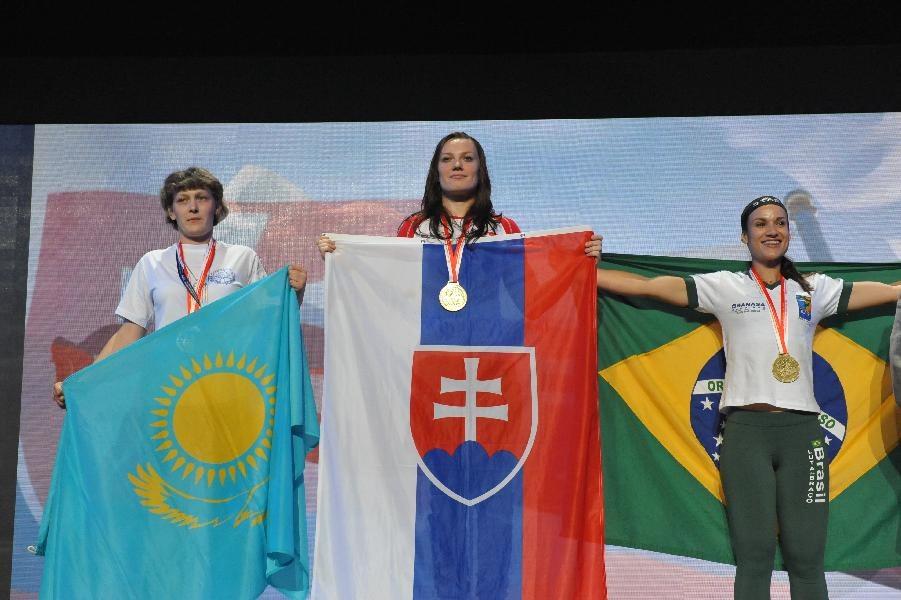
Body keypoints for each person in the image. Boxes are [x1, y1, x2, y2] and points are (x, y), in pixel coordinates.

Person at [595, 195, 900, 600]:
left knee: (807, 561)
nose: (771, 230)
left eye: (779, 222)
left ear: (789, 233)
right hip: (745, 435)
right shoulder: (724, 286)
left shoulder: (815, 290)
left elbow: (888, 291)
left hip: (804, 435)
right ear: (745, 236)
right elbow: (650, 288)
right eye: (760, 224)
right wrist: (587, 269)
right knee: (754, 560)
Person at [53, 166, 307, 408]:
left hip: (228, 384)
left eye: (202, 198)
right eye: (183, 200)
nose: (193, 207)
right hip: (170, 388)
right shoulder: (152, 263)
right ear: (171, 211)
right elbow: (128, 335)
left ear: (216, 207)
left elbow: (268, 321)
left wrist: (295, 293)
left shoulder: (242, 258)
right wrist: (82, 382)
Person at [317, 131, 602, 257]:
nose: (456, 165)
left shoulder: (506, 228)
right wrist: (342, 256)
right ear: (436, 170)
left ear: (481, 169)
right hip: (427, 333)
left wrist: (579, 257)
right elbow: (392, 279)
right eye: (447, 159)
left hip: (491, 336)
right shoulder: (414, 226)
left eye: (467, 158)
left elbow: (530, 282)